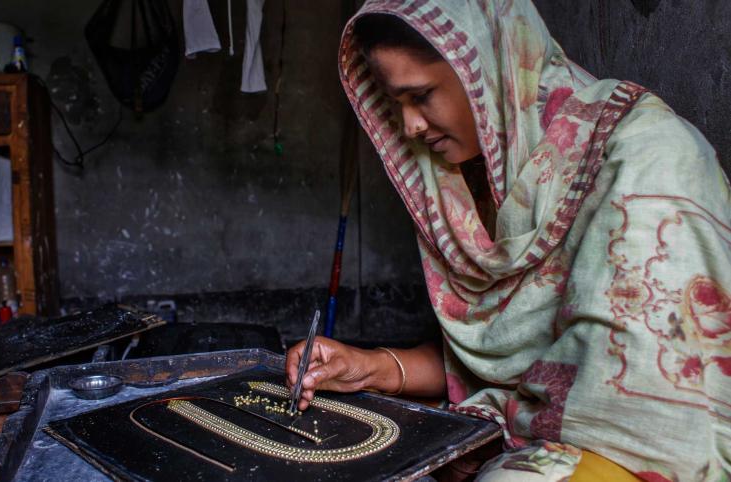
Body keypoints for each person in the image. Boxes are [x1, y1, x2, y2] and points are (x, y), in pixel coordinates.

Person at [285, 1, 731, 480]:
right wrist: (372, 367)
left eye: (422, 95)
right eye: (397, 105)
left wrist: (494, 434)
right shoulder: (476, 182)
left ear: (488, 70)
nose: (411, 125)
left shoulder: (649, 160)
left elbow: (645, 412)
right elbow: (498, 364)